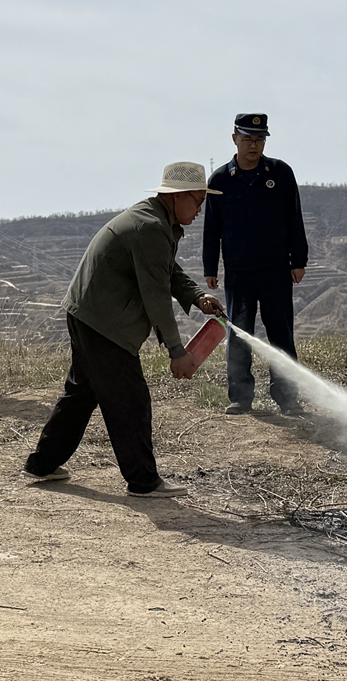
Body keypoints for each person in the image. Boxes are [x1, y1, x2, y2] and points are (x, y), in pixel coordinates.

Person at [23, 162, 225, 497]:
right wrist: (177, 351)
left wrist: (198, 296)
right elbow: (156, 295)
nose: (201, 208)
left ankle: (43, 463)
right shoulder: (150, 227)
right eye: (197, 199)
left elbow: (166, 270)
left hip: (86, 313)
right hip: (103, 322)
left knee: (82, 392)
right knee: (129, 400)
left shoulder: (157, 221)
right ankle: (143, 481)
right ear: (174, 197)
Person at [202, 113, 309, 416]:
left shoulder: (281, 173)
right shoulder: (220, 180)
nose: (254, 145)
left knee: (281, 334)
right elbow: (212, 229)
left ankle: (287, 398)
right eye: (248, 138)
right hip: (239, 271)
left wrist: (298, 260)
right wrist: (211, 268)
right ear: (234, 138)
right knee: (239, 334)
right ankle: (240, 397)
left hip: (276, 268)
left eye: (259, 139)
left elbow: (294, 219)